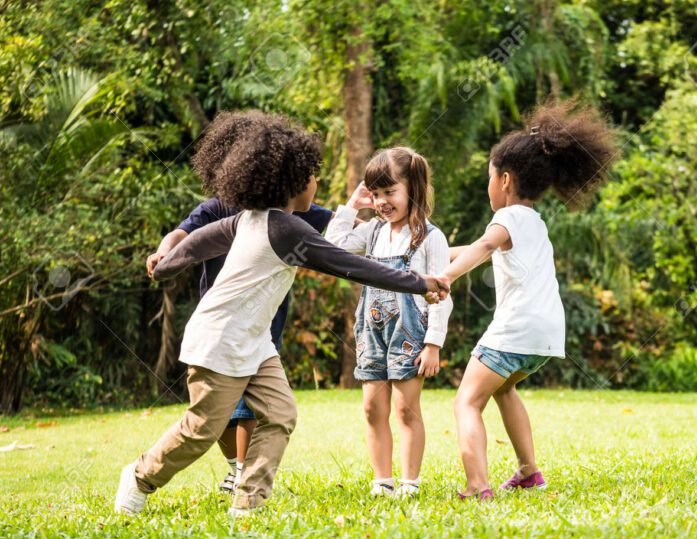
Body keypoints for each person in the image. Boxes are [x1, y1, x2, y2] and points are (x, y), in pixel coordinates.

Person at [115, 110, 448, 517]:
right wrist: (419, 282)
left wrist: (166, 262)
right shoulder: (284, 229)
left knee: (280, 414)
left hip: (254, 342)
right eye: (311, 177)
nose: (316, 183)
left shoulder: (259, 220)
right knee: (201, 429)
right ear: (291, 182)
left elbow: (199, 243)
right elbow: (350, 265)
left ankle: (248, 501)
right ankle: (139, 476)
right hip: (220, 338)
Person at [437, 102, 617, 499]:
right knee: (503, 389)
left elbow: (484, 246)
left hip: (516, 328)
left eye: (488, 178)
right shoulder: (532, 221)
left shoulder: (506, 219)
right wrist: (437, 253)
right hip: (546, 333)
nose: (488, 187)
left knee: (467, 402)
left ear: (504, 179)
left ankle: (477, 485)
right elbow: (478, 246)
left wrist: (445, 276)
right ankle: (528, 471)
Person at [146, 196, 332, 495]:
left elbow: (338, 227)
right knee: (217, 416)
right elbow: (182, 236)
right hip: (221, 328)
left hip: (263, 325)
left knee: (259, 409)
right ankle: (230, 467)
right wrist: (163, 253)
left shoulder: (292, 209)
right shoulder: (217, 210)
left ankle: (245, 480)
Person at [325, 147, 453, 497]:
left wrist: (433, 344)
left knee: (405, 409)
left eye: (389, 192)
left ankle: (410, 482)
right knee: (371, 408)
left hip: (410, 335)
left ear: (413, 187)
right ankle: (382, 481)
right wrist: (352, 206)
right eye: (376, 193)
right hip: (372, 331)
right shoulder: (373, 232)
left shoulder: (430, 237)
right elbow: (332, 247)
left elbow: (443, 292)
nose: (381, 201)